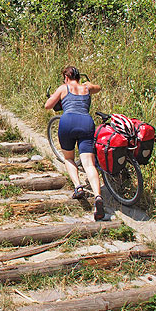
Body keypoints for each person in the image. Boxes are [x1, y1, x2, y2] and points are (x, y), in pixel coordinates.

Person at [44, 66, 106, 221]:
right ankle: (98, 196)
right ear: (79, 77)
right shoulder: (86, 87)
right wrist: (89, 84)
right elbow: (98, 88)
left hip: (68, 122)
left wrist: (55, 96)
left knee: (69, 158)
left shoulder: (63, 88)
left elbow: (48, 105)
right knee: (89, 163)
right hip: (86, 122)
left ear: (66, 77)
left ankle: (78, 187)